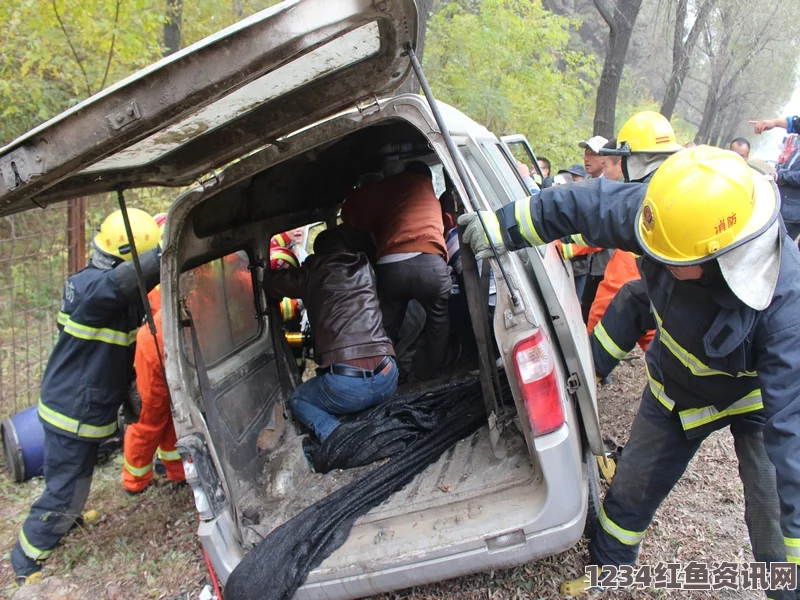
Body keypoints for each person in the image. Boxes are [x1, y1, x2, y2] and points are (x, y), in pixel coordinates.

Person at [459, 145, 800, 598]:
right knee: (630, 494)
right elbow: (584, 203)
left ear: (721, 256)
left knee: (776, 520)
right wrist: (502, 225)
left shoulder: (784, 310)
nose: (657, 261)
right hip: (674, 392)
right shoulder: (669, 218)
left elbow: (793, 431)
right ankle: (609, 571)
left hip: (753, 401)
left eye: (674, 262)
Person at [12, 209, 161, 586]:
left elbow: (122, 349)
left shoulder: (107, 293)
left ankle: (69, 516)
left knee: (75, 476)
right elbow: (125, 282)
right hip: (72, 410)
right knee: (64, 490)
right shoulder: (96, 289)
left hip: (79, 403)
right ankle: (26, 559)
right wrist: (168, 250)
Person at [264, 229, 398, 442]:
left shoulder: (312, 272)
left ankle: (337, 436)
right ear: (346, 248)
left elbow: (272, 285)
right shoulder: (365, 265)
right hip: (388, 377)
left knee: (299, 400)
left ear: (317, 254)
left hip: (347, 387)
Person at [342, 161, 453, 377]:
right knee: (438, 318)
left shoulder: (394, 187)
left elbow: (354, 205)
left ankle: (382, 375)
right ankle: (438, 371)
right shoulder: (429, 195)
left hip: (393, 267)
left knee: (387, 325)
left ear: (405, 172)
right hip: (430, 263)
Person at [121, 308, 186, 495]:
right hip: (156, 343)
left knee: (175, 412)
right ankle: (135, 483)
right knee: (150, 418)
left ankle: (178, 472)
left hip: (168, 335)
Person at [750, 115, 800, 240]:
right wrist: (773, 122)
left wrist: (781, 176)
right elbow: (794, 123)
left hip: (794, 212)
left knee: (780, 246)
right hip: (786, 207)